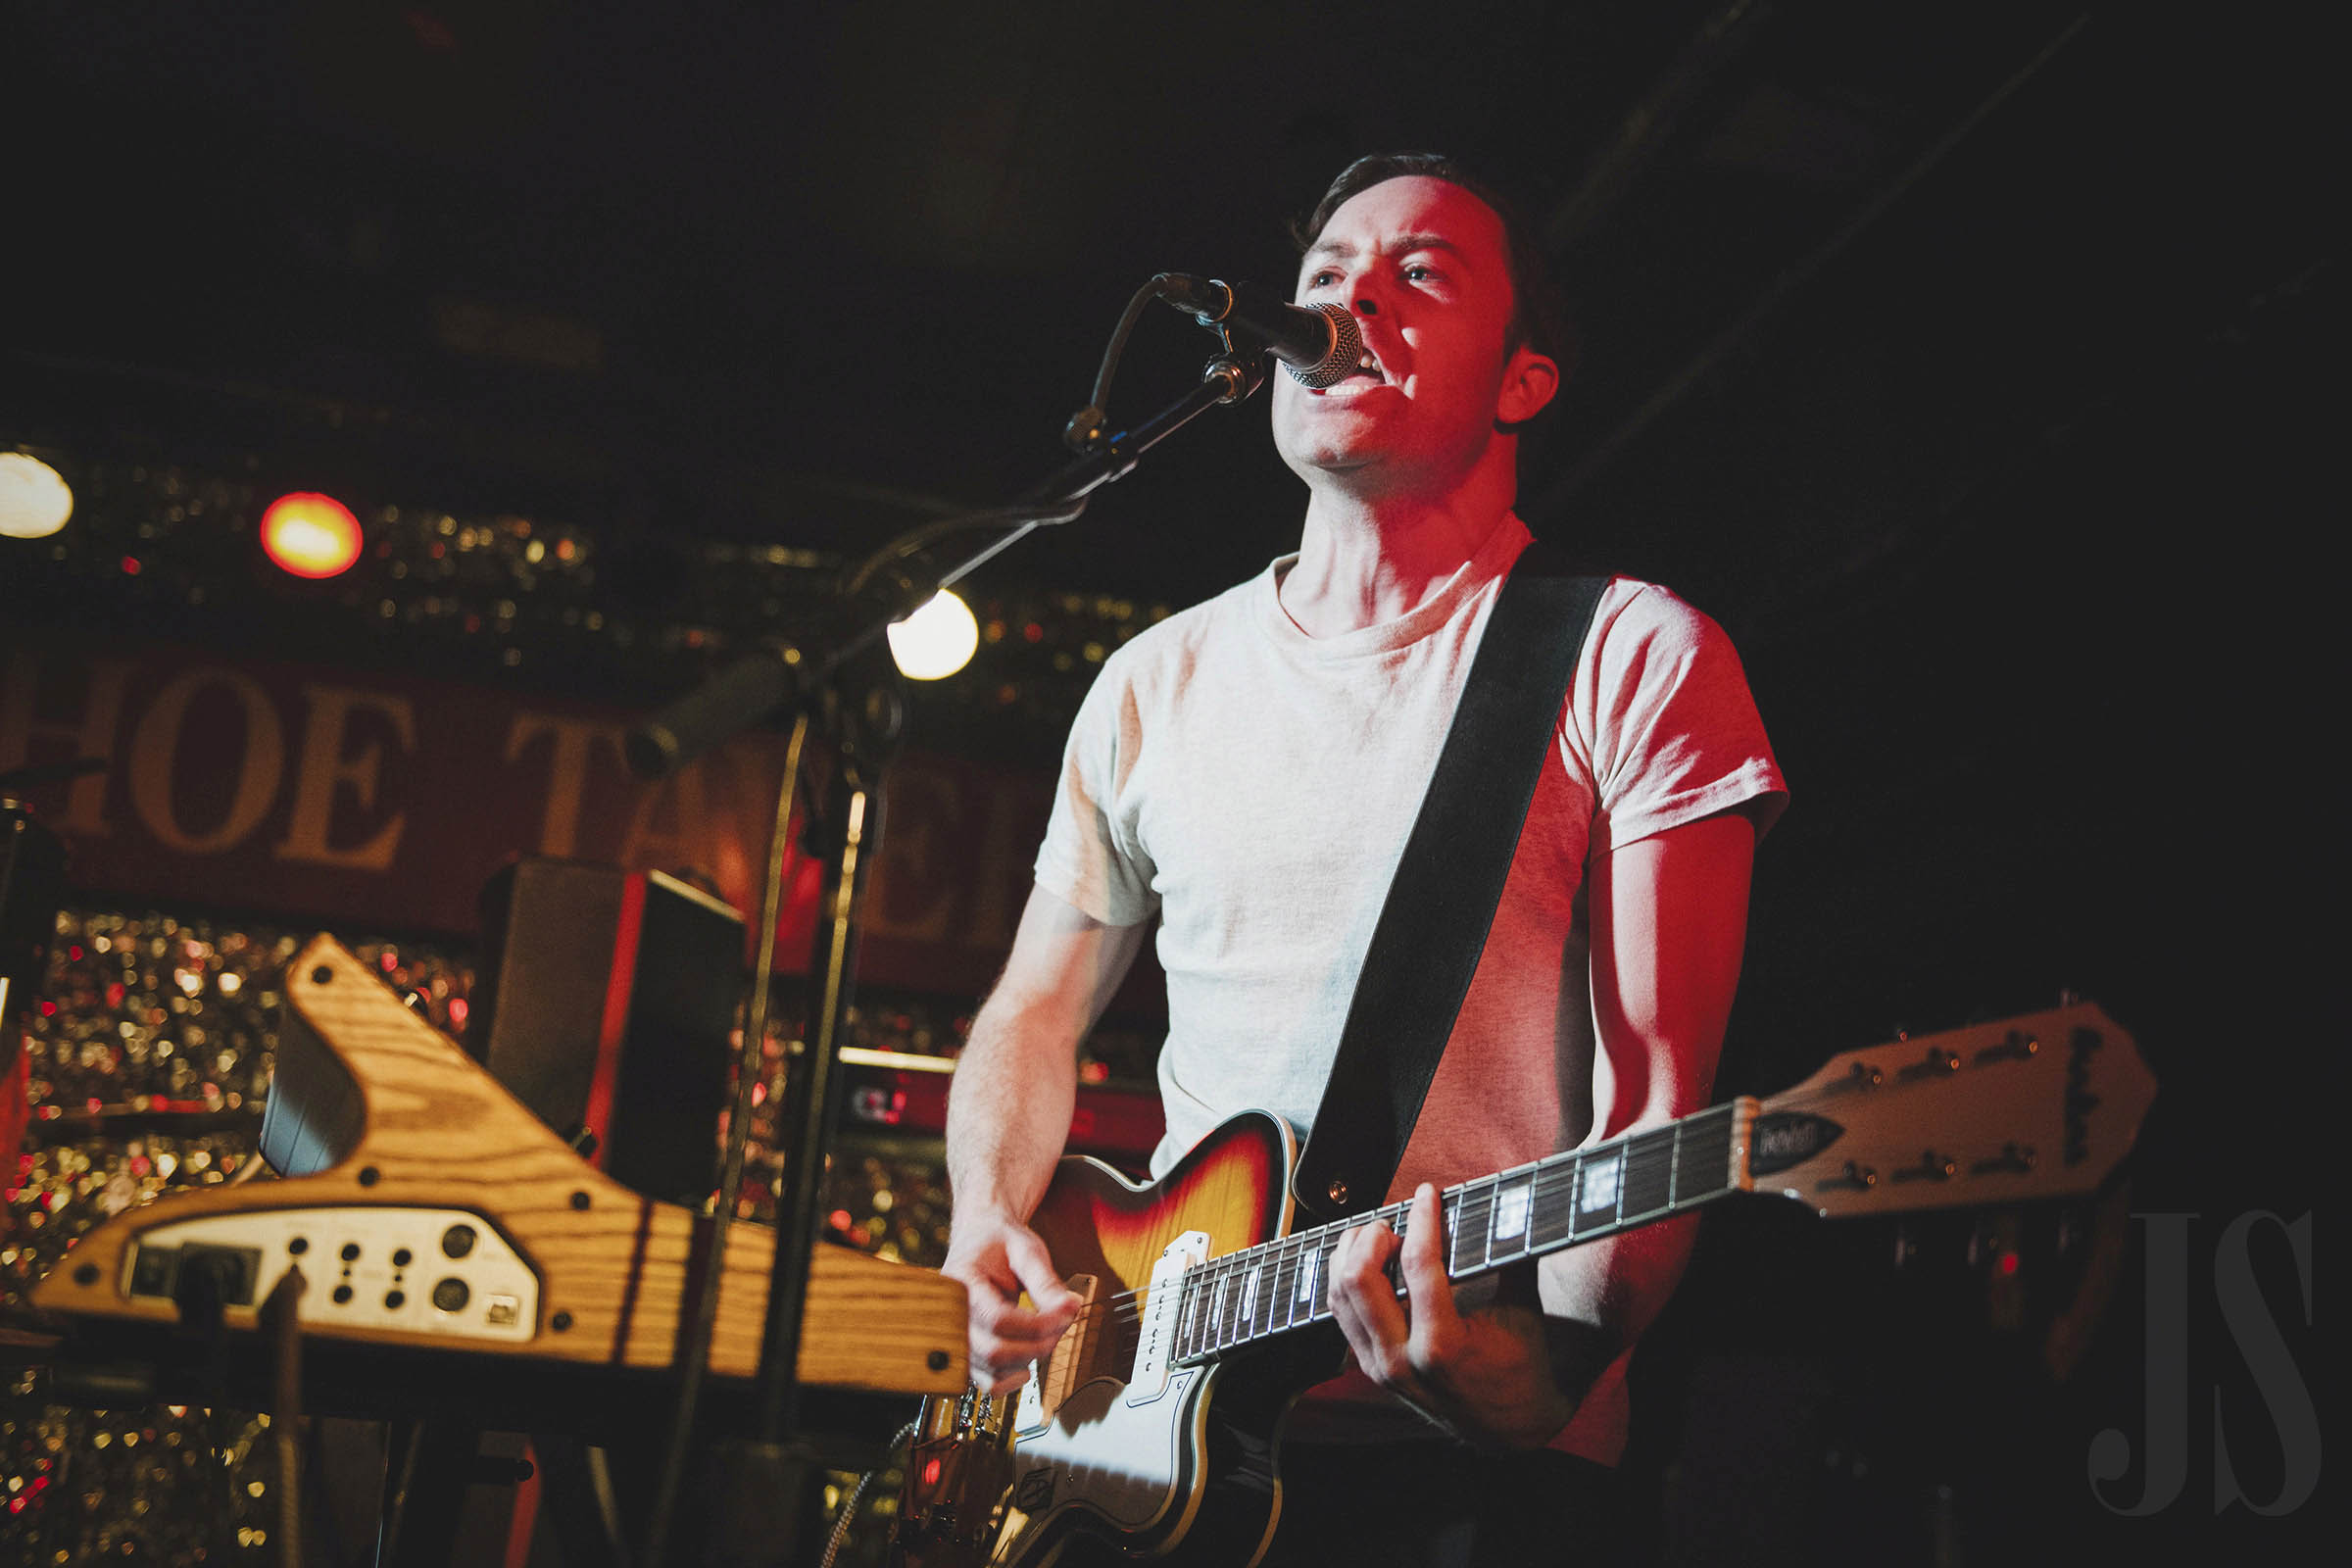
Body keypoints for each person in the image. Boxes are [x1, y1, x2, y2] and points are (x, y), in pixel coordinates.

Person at [940, 152, 1787, 1565]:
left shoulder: (1631, 656)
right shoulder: (1157, 679)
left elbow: (1655, 1111)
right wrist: (982, 1217)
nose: (1352, 299)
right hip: (1148, 1455)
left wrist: (1550, 1375)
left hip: (1470, 1482)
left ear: (1522, 381)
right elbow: (1033, 1009)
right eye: (1326, 275)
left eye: (1420, 274)